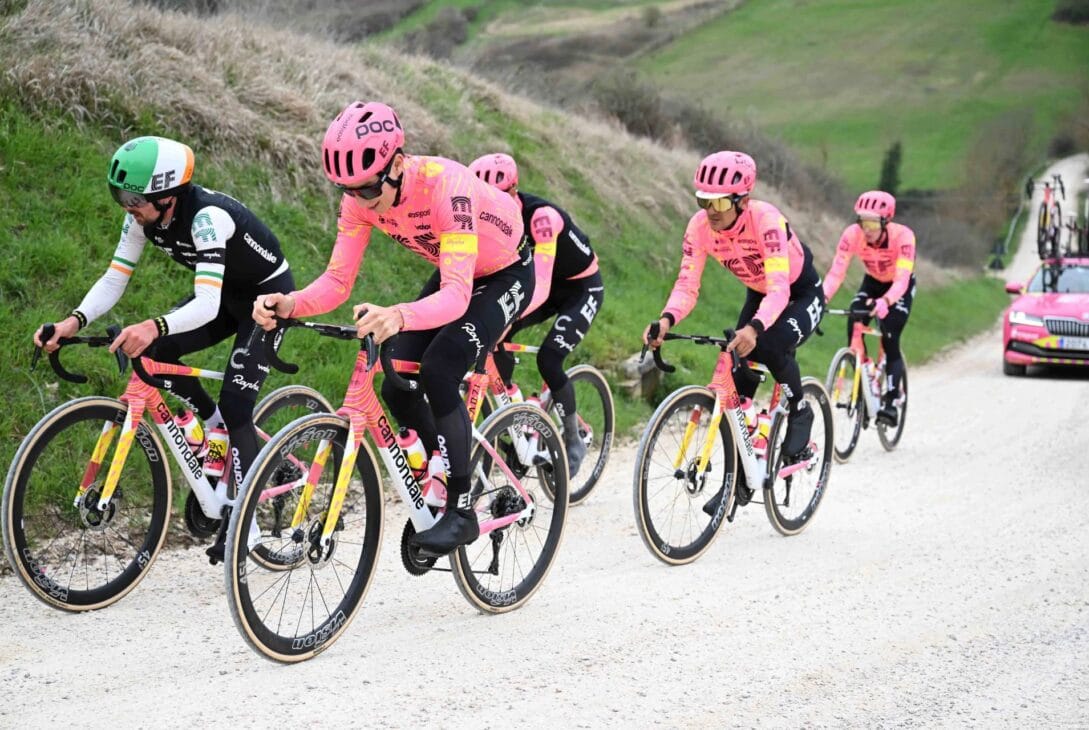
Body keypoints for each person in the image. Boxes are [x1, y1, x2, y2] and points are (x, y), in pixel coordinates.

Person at [252, 102, 531, 557]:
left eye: (365, 188)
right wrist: (291, 304)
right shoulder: (358, 198)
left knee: (440, 367)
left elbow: (459, 296)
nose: (357, 199)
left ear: (398, 164)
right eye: (347, 190)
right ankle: (440, 465)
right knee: (397, 377)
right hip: (455, 268)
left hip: (504, 272)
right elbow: (338, 282)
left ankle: (461, 511)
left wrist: (398, 313)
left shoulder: (449, 187)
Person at [34, 136, 294, 561]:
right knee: (156, 357)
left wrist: (153, 325)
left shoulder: (207, 218)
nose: (125, 205)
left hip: (267, 300)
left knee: (237, 401)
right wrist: (72, 321)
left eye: (133, 197)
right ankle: (214, 430)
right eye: (118, 194)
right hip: (224, 294)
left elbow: (206, 305)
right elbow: (115, 278)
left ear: (168, 195)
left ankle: (246, 521)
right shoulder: (141, 218)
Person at [643, 150, 825, 483]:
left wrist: (755, 327)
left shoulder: (766, 220)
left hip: (800, 292)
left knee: (769, 344)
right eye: (704, 201)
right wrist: (666, 320)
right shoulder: (699, 228)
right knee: (738, 361)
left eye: (721, 203)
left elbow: (780, 289)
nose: (712, 211)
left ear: (742, 200)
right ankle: (745, 458)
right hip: (760, 292)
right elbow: (687, 284)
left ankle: (800, 410)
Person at [468, 152, 604, 477]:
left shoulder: (542, 218)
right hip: (537, 283)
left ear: (515, 192)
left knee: (549, 358)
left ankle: (573, 439)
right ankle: (515, 412)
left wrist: (507, 319)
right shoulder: (483, 221)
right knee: (490, 336)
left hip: (577, 288)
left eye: (500, 200)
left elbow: (540, 286)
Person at [822, 190, 915, 426]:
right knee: (854, 318)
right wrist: (821, 298)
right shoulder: (852, 235)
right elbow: (836, 272)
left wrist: (886, 301)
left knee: (890, 336)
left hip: (898, 287)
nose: (867, 228)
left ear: (886, 221)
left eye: (873, 222)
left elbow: (902, 279)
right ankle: (863, 379)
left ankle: (893, 400)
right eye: (863, 221)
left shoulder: (903, 236)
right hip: (872, 282)